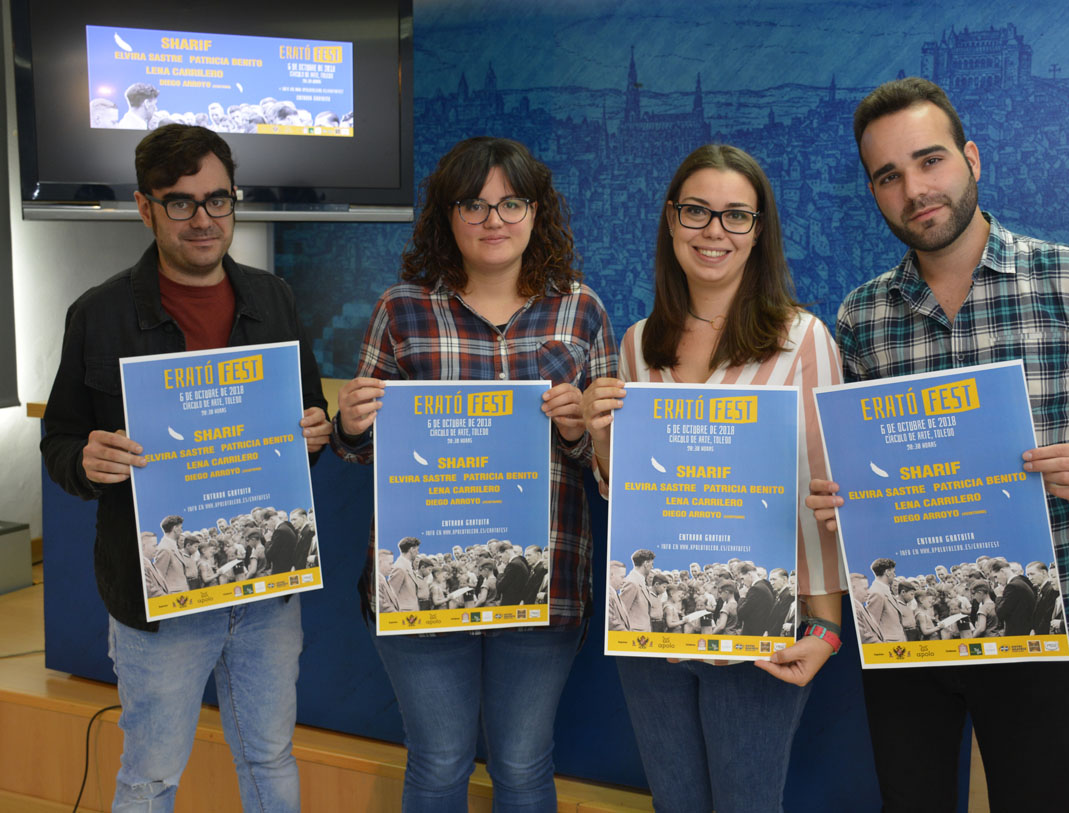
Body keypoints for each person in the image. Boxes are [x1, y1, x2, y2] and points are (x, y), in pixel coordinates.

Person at [806, 77, 1069, 811]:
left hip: (1039, 621)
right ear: (875, 193)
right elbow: (852, 463)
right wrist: (838, 496)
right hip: (909, 630)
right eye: (889, 176)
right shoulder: (860, 315)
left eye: (930, 160)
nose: (915, 188)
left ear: (971, 158)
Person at [39, 124, 331, 812]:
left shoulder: (275, 300)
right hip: (160, 600)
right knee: (151, 776)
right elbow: (58, 440)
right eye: (180, 202)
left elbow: (308, 406)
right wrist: (84, 458)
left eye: (218, 200)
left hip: (265, 594)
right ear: (145, 208)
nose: (203, 219)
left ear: (236, 200)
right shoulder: (99, 314)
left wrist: (314, 428)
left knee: (270, 758)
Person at [331, 136, 617, 811]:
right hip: (425, 583)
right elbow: (358, 451)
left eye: (511, 202)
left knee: (522, 764)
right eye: (474, 204)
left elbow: (610, 463)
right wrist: (351, 422)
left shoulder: (581, 310)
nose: (494, 219)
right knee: (438, 761)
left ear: (537, 211)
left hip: (544, 582)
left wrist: (579, 432)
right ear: (447, 215)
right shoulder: (401, 310)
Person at [582, 144, 844, 812]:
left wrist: (826, 627)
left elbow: (824, 497)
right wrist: (601, 434)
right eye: (697, 211)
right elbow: (626, 492)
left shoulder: (802, 339)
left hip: (761, 626)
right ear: (671, 222)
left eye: (736, 216)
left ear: (759, 232)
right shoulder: (639, 343)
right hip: (653, 625)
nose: (714, 231)